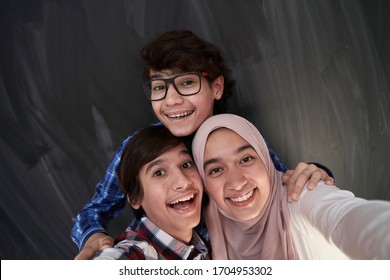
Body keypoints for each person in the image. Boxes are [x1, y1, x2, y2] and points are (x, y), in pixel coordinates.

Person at [71, 30, 334, 259]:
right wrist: (92, 235)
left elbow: (281, 189)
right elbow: (95, 210)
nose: (171, 100)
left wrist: (314, 172)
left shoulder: (239, 139)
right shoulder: (140, 148)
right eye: (159, 87)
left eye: (186, 83)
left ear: (216, 87)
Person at [192, 113, 390, 259]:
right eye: (215, 170)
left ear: (265, 158)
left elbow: (347, 217)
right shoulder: (209, 225)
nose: (236, 182)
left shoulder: (302, 196)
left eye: (246, 159)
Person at [94, 125, 209, 259]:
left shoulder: (203, 245)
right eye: (159, 173)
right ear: (135, 198)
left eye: (186, 165)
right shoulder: (133, 255)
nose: (183, 182)